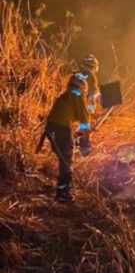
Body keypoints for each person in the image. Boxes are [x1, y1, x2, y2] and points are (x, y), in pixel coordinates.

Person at [43, 73, 91, 203]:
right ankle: (63, 193)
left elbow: (68, 115)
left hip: (52, 129)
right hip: (62, 130)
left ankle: (62, 190)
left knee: (63, 160)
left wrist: (76, 135)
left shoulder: (66, 95)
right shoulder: (78, 94)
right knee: (66, 163)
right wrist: (85, 141)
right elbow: (84, 120)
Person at [74, 54, 100, 156]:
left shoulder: (77, 74)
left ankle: (74, 143)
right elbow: (93, 93)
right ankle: (84, 150)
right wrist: (91, 109)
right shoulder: (90, 74)